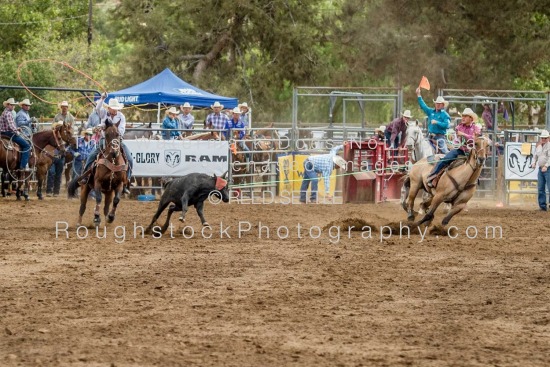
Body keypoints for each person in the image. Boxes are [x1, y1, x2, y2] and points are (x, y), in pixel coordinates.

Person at [81, 94, 133, 194]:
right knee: (92, 155)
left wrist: (105, 127)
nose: (114, 110)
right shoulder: (104, 113)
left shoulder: (121, 116)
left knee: (129, 158)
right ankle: (86, 176)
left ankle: (127, 180)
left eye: (116, 108)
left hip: (117, 140)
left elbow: (121, 131)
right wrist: (102, 98)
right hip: (104, 140)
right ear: (109, 108)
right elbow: (97, 108)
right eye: (113, 108)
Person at [426, 108, 481, 188]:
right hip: (460, 150)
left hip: (471, 152)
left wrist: (463, 134)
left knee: (479, 163)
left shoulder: (476, 128)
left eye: (465, 116)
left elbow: (475, 139)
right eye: (463, 116)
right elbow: (460, 139)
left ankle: (474, 182)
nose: (463, 118)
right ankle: (432, 176)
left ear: (471, 118)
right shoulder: (459, 127)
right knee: (445, 159)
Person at [416, 88, 450, 155]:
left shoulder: (445, 115)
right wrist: (418, 95)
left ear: (443, 105)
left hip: (440, 137)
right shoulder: (430, 111)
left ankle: (449, 163)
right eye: (437, 103)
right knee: (419, 147)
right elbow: (423, 106)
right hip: (429, 136)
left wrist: (437, 122)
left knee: (445, 152)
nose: (438, 105)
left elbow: (447, 125)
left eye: (440, 104)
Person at [0, 98, 31, 171]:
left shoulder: (4, 112)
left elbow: (10, 125)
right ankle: (23, 166)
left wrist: (17, 129)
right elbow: (11, 126)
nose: (13, 107)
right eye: (12, 105)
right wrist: (18, 132)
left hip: (3, 133)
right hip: (8, 133)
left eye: (14, 105)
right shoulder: (8, 113)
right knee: (27, 145)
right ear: (8, 105)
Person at [530, 129, 550, 211]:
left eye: (545, 138)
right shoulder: (538, 146)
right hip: (541, 169)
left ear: (548, 138)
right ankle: (542, 206)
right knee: (541, 188)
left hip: (548, 169)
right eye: (542, 138)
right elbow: (535, 156)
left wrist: (546, 166)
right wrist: (533, 163)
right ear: (541, 138)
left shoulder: (549, 146)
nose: (544, 139)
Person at [46, 121, 67, 197]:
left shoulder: (64, 137)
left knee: (58, 174)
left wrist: (65, 150)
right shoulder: (52, 137)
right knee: (51, 172)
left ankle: (56, 191)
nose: (59, 128)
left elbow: (67, 146)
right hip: (52, 157)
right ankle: (49, 190)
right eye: (58, 126)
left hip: (60, 158)